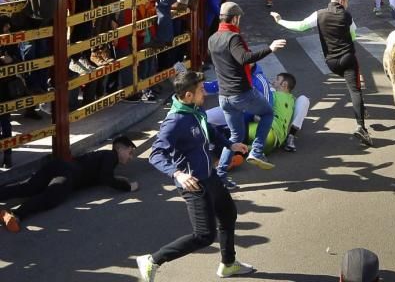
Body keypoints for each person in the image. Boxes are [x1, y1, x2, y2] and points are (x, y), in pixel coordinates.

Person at [138, 68, 255, 281]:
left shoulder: (195, 110)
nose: (206, 93)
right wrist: (177, 174)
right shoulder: (175, 121)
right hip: (193, 184)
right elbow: (155, 155)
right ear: (189, 95)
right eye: (202, 90)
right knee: (204, 236)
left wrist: (230, 144)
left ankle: (228, 264)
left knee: (228, 215)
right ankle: (152, 260)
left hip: (210, 177)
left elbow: (208, 130)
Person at [270, 0, 373, 146]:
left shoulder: (319, 14)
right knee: (355, 90)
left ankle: (361, 109)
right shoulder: (347, 16)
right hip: (347, 59)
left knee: (352, 85)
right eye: (347, 2)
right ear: (342, 1)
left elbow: (300, 26)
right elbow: (353, 36)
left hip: (331, 62)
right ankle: (361, 127)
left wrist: (280, 21)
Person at [210, 2, 287, 190]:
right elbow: (244, 58)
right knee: (268, 113)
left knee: (236, 137)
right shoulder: (233, 37)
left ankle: (220, 176)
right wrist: (270, 49)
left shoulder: (213, 39)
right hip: (241, 93)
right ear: (235, 18)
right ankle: (257, 151)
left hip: (224, 97)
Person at [0, 136, 138, 232]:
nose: (131, 157)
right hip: (69, 174)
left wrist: (116, 177)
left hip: (59, 165)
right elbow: (106, 178)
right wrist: (128, 187)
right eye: (130, 152)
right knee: (49, 198)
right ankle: (16, 215)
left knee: (29, 188)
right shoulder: (111, 156)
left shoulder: (105, 156)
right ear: (119, 148)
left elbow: (101, 176)